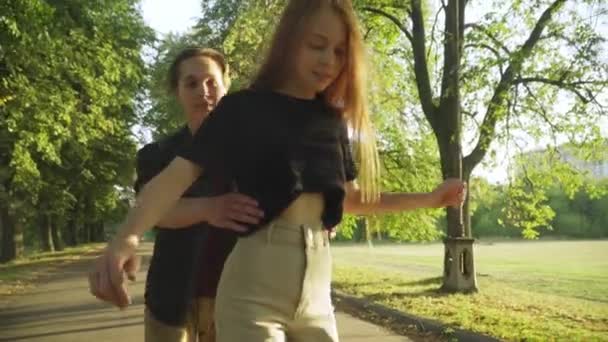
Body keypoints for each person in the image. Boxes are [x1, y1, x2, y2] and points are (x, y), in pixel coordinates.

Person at [89, 1, 466, 341]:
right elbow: (173, 179)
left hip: (318, 292)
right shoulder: (241, 109)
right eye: (316, 45)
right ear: (289, 41)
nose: (329, 61)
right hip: (253, 290)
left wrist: (430, 199)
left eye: (339, 51)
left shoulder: (331, 122)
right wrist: (127, 238)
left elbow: (351, 199)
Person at [92, 47, 260, 342]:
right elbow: (153, 211)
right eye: (191, 83)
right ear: (178, 91)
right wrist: (209, 208)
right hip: (169, 297)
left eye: (211, 82)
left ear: (226, 84)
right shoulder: (155, 154)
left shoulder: (254, 152)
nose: (202, 91)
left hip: (237, 295)